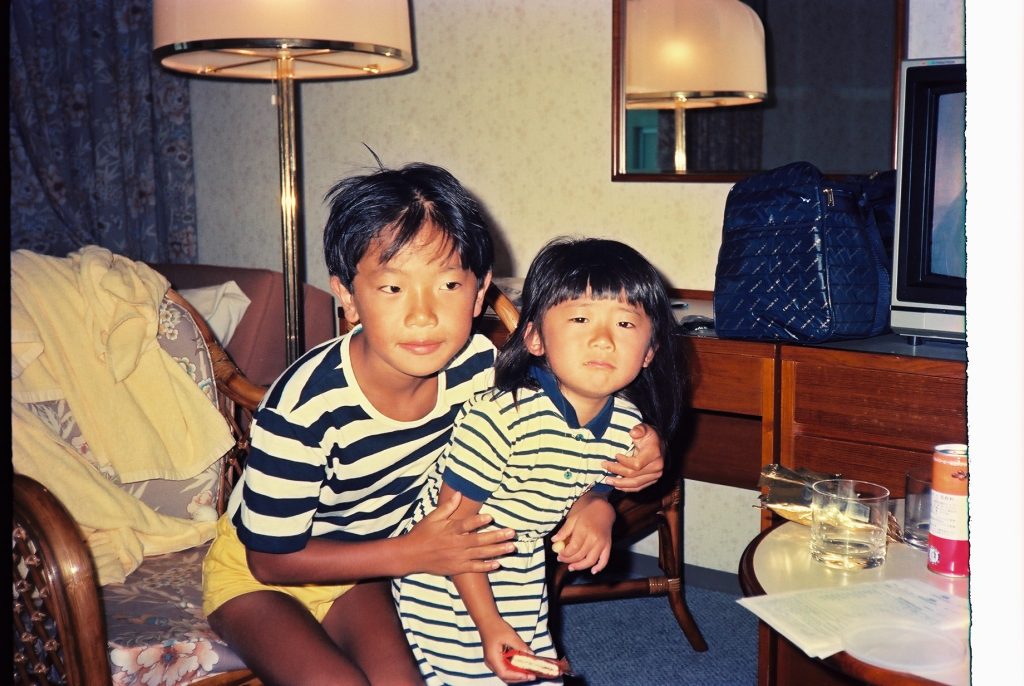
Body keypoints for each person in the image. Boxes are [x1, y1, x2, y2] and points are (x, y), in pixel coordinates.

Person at [201, 164, 667, 686]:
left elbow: (578, 404)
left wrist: (617, 478)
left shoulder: (480, 367)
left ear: (479, 291)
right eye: (392, 288)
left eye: (448, 285)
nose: (423, 315)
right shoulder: (303, 406)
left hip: (367, 569)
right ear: (348, 296)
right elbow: (270, 560)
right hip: (262, 575)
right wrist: (414, 552)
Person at [393, 236, 684, 685]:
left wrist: (599, 504)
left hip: (524, 569)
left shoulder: (627, 423)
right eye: (580, 318)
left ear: (649, 352)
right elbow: (451, 530)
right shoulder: (501, 417)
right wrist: (489, 623)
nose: (603, 339)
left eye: (625, 323)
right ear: (534, 338)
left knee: (536, 673)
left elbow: (597, 478)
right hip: (447, 578)